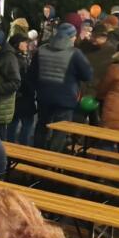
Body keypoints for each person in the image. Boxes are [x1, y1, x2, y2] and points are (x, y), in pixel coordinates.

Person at [29, 22, 92, 151]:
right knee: (60, 131)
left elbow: (32, 74)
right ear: (71, 37)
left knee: (42, 126)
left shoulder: (41, 50)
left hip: (44, 97)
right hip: (66, 99)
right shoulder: (75, 53)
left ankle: (37, 154)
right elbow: (87, 75)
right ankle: (53, 157)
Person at [6, 34, 37, 145]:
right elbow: (23, 79)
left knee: (13, 123)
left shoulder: (12, 57)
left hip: (16, 96)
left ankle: (10, 146)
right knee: (27, 123)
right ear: (16, 44)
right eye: (23, 42)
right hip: (24, 96)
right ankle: (23, 147)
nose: (26, 44)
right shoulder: (19, 60)